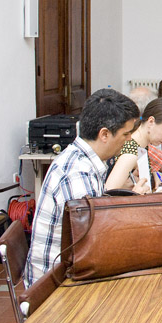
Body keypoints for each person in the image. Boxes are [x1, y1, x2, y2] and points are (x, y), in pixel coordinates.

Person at [25, 89, 144, 286]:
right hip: (57, 285)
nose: (130, 139)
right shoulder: (77, 174)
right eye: (126, 134)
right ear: (104, 134)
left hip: (72, 268)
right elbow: (93, 245)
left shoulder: (85, 158)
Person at [105, 97, 162, 192]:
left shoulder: (140, 146)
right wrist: (158, 195)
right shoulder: (131, 152)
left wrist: (155, 174)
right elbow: (108, 193)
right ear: (151, 122)